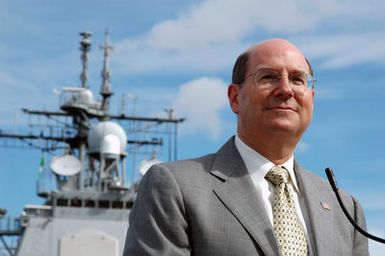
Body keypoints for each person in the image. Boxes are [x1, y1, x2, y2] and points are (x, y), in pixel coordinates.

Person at [123, 38, 369, 255]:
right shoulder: (174, 187)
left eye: (297, 79)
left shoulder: (345, 209)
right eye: (268, 77)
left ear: (311, 100)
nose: (285, 90)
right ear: (234, 97)